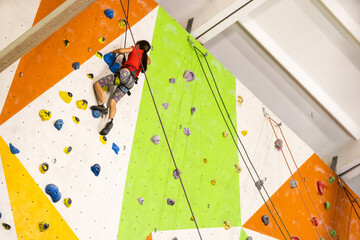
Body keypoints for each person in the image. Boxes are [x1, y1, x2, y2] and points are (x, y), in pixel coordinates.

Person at [91, 40, 151, 135]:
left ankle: (102, 105)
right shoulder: (144, 58)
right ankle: (110, 122)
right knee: (113, 101)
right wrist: (144, 52)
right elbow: (149, 61)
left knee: (97, 84)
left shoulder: (135, 49)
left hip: (124, 74)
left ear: (138, 45)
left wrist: (113, 52)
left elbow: (121, 50)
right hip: (130, 82)